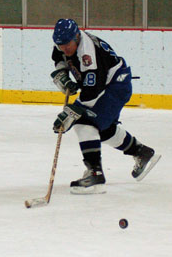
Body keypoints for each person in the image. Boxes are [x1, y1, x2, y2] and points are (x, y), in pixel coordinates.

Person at [50, 19, 161, 194]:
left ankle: (95, 175)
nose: (64, 49)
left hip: (115, 86)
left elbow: (92, 92)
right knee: (102, 129)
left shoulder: (88, 54)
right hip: (107, 85)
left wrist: (71, 112)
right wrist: (62, 75)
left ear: (77, 36)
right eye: (60, 45)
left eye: (67, 45)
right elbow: (59, 58)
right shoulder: (65, 44)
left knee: (84, 123)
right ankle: (141, 152)